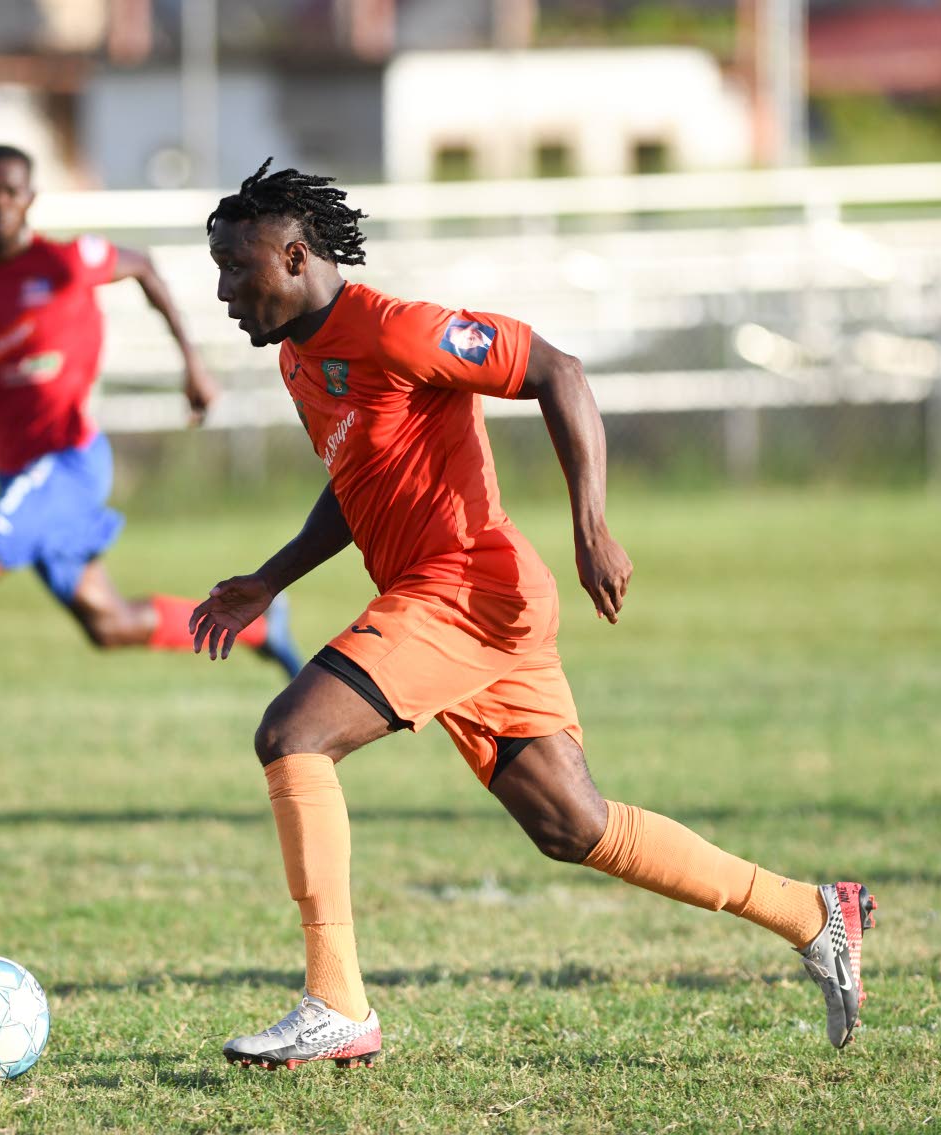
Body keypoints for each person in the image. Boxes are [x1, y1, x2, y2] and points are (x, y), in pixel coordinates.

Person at [190, 159, 877, 1069]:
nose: (224, 292)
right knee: (572, 825)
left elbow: (560, 370)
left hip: (470, 588)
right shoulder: (300, 359)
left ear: (292, 255)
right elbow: (356, 481)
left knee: (293, 734)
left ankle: (337, 1003)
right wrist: (270, 578)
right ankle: (811, 911)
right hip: (454, 600)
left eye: (234, 268)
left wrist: (591, 526)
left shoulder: (397, 328)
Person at [0, 144, 302, 817]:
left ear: (30, 198)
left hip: (68, 462)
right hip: (20, 474)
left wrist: (191, 364)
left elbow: (146, 267)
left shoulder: (67, 260)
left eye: (10, 190)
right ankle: (257, 626)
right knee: (108, 624)